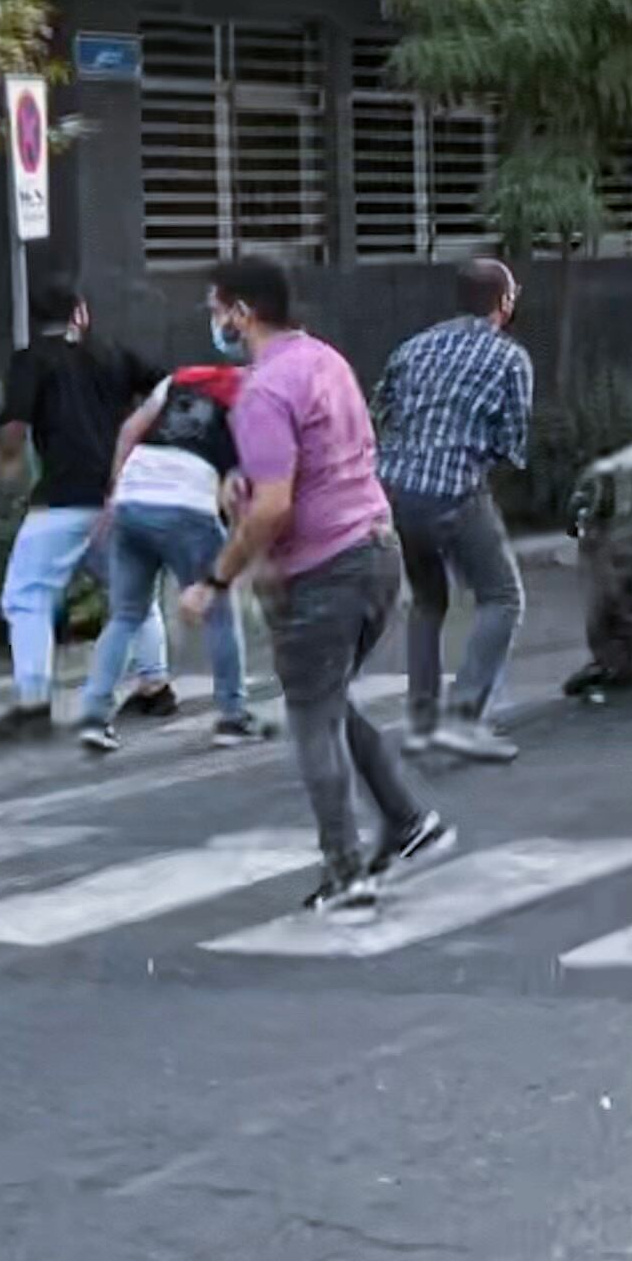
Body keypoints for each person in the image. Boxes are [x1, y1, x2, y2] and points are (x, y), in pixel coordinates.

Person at [177, 257, 446, 918]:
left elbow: (273, 509)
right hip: (378, 552)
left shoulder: (264, 389)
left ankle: (347, 871)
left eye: (217, 309)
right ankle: (407, 821)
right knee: (325, 700)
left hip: (326, 569)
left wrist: (216, 578)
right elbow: (322, 458)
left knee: (311, 723)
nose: (214, 322)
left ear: (242, 312)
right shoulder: (325, 360)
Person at [0, 276, 171, 743]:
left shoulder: (32, 360)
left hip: (63, 499)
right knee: (133, 593)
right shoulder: (111, 353)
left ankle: (33, 701)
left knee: (25, 595)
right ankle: (155, 685)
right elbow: (167, 387)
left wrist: (5, 463)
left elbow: (13, 427)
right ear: (80, 313)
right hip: (116, 498)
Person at [374, 257, 536, 764]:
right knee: (503, 598)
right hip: (454, 491)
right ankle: (464, 719)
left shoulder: (413, 347)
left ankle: (422, 723)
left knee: (427, 602)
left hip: (395, 492)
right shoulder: (509, 359)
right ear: (504, 304)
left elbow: (381, 411)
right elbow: (511, 443)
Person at [69, 357, 260, 756]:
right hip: (187, 504)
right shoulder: (257, 395)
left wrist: (114, 493)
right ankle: (232, 716)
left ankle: (93, 717)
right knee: (219, 608)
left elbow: (130, 431)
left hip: (133, 498)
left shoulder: (180, 380)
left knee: (126, 614)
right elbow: (248, 478)